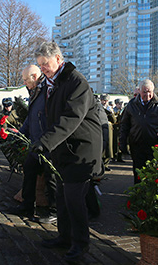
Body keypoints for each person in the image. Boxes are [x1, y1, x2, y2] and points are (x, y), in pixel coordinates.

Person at [32, 41, 102, 262]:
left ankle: (80, 244)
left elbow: (71, 118)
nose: (42, 68)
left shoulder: (76, 82)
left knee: (74, 198)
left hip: (81, 150)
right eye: (39, 64)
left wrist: (45, 142)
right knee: (62, 196)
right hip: (63, 149)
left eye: (45, 63)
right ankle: (64, 237)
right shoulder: (53, 82)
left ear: (59, 59)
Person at [12, 65, 57, 223]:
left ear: (35, 76)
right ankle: (27, 205)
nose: (24, 82)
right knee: (29, 171)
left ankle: (54, 210)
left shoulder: (48, 90)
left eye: (26, 79)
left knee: (51, 177)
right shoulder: (34, 91)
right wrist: (21, 133)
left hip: (47, 143)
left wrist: (47, 140)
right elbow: (31, 117)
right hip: (35, 143)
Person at [119, 79, 158, 184]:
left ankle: (151, 198)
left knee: (154, 172)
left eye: (150, 92)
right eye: (144, 92)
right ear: (139, 91)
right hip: (137, 144)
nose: (147, 95)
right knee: (138, 172)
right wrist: (122, 142)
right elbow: (124, 125)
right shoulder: (131, 105)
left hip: (155, 146)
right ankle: (138, 195)